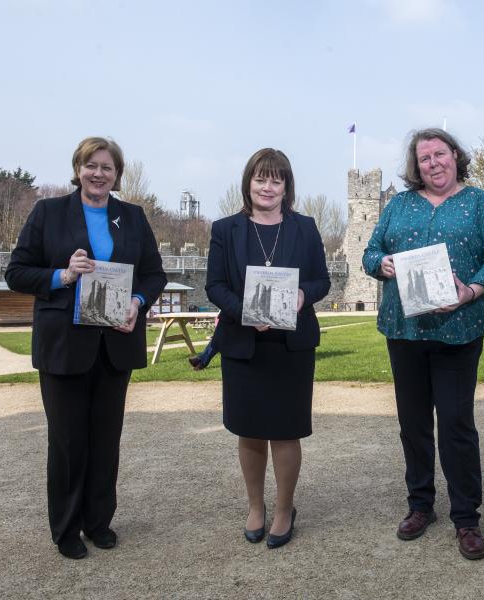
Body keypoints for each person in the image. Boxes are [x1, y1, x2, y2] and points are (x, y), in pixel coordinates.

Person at [5, 137, 167, 559]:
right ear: (77, 168)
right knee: (67, 442)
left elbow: (154, 275)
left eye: (107, 168)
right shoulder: (49, 213)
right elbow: (17, 272)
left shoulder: (132, 217)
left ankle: (99, 522)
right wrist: (62, 275)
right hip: (64, 348)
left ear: (117, 175)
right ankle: (66, 529)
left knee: (105, 439)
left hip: (114, 345)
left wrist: (137, 302)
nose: (99, 174)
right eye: (91, 165)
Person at [362, 128, 484, 560]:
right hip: (403, 330)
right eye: (424, 158)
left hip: (458, 330)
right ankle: (420, 505)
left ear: (455, 156)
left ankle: (466, 517)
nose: (433, 163)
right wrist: (382, 264)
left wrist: (472, 291)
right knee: (412, 423)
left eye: (439, 154)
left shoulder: (480, 202)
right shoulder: (398, 204)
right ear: (416, 165)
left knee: (457, 423)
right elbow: (370, 252)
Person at [205, 148, 330, 549]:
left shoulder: (305, 228)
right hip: (245, 346)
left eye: (276, 179)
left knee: (286, 432)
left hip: (290, 348)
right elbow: (214, 286)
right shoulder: (225, 230)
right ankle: (255, 506)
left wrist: (301, 296)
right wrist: (244, 310)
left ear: (286, 186)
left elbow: (321, 281)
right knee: (250, 432)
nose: (268, 186)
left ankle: (283, 509)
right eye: (261, 178)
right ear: (248, 183)